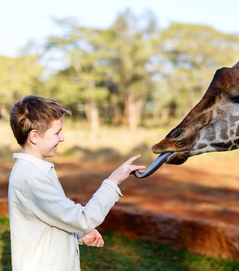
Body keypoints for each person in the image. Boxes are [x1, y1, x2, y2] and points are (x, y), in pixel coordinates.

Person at [8, 95, 146, 271]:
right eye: (57, 132)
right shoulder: (32, 178)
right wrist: (113, 181)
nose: (62, 138)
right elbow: (84, 219)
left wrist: (79, 235)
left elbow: (51, 217)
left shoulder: (34, 171)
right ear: (34, 136)